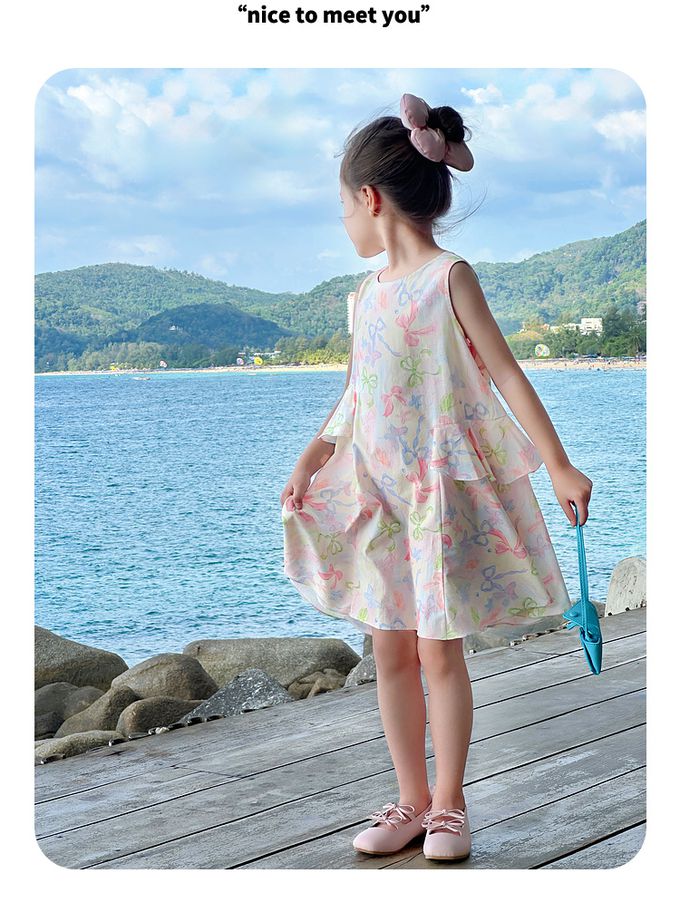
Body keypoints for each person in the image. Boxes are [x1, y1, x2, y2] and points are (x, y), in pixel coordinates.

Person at [280, 93, 593, 862]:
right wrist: (315, 452)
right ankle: (411, 799)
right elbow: (357, 392)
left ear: (369, 198)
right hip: (377, 495)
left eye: (342, 208)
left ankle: (450, 802)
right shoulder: (365, 295)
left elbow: (506, 374)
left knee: (437, 650)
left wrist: (557, 463)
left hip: (435, 494)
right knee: (387, 651)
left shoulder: (450, 278)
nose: (344, 223)